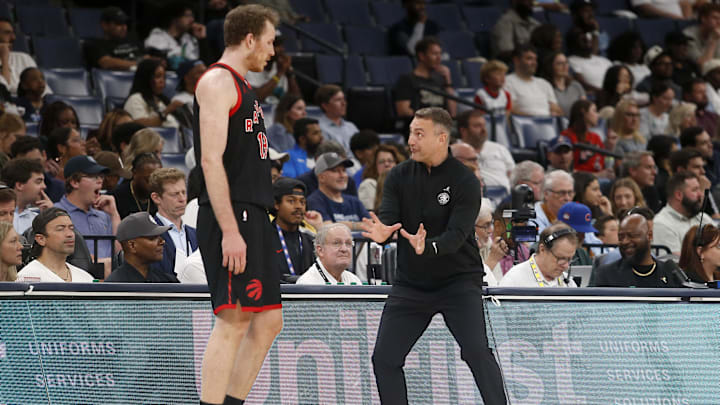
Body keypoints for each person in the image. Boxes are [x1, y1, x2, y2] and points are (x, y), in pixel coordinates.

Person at [360, 107, 507, 404]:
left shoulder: (465, 181)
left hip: (458, 282)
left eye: (419, 134)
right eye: (411, 132)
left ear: (441, 138)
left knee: (476, 352)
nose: (411, 141)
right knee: (384, 359)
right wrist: (384, 231)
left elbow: (456, 236)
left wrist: (428, 247)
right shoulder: (398, 175)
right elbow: (389, 218)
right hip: (412, 283)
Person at [192, 5, 283, 405]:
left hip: (255, 212)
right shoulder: (217, 81)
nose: (273, 50)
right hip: (233, 214)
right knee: (233, 318)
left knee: (268, 321)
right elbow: (210, 159)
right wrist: (230, 230)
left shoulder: (245, 86)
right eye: (269, 41)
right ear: (249, 39)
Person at [55, 155, 120, 262]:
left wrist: (114, 214)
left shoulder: (104, 216)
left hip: (109, 277)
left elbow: (120, 253)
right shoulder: (56, 214)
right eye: (94, 177)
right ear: (75, 182)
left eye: (101, 177)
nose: (100, 181)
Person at [591, 212, 682, 287]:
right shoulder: (607, 274)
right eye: (621, 237)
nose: (625, 242)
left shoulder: (670, 272)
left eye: (632, 236)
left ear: (649, 236)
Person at [16, 207, 94, 282]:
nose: (70, 234)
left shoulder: (85, 278)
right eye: (60, 229)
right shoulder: (28, 277)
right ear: (41, 239)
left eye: (71, 228)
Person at [149, 168, 198, 276]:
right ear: (156, 198)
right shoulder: (149, 235)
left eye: (184, 192)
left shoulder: (196, 235)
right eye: (174, 194)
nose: (182, 199)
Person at [105, 212, 180, 283]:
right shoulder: (113, 287)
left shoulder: (168, 281)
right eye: (152, 238)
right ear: (132, 245)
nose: (162, 242)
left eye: (160, 236)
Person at [394, 37, 456, 120]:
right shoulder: (407, 79)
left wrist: (448, 80)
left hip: (440, 126)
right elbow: (403, 110)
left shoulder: (440, 80)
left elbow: (453, 113)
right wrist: (429, 119)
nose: (439, 58)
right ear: (422, 56)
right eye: (434, 54)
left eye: (440, 54)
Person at [500, 222, 579, 287]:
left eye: (569, 259)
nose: (566, 266)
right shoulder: (515, 280)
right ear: (542, 249)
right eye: (561, 258)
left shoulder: (568, 283)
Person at [270, 177, 317, 281]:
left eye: (302, 202)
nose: (298, 206)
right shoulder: (262, 239)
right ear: (276, 204)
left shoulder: (310, 241)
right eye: (291, 201)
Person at [306, 152, 369, 228]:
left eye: (344, 170)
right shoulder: (314, 201)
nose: (342, 175)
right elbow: (327, 228)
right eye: (335, 171)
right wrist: (358, 225)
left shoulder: (355, 202)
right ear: (321, 177)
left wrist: (348, 225)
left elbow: (371, 225)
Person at [457, 110, 515, 192]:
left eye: (484, 125)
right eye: (477, 126)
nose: (483, 130)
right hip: (472, 197)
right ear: (463, 131)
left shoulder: (499, 148)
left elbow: (513, 175)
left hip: (504, 199)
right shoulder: (454, 151)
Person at [504, 44, 563, 117]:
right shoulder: (507, 82)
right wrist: (537, 120)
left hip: (547, 125)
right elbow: (511, 109)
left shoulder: (544, 83)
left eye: (535, 59)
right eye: (529, 59)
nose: (534, 63)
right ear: (516, 60)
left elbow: (556, 109)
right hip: (523, 125)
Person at [653, 172, 704, 255]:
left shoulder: (703, 217)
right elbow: (675, 264)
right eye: (695, 190)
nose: (700, 194)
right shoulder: (661, 224)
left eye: (699, 189)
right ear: (679, 195)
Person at [144, 3, 206, 70]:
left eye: (192, 16)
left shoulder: (190, 39)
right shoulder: (158, 36)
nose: (192, 20)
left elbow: (204, 64)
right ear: (175, 19)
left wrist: (202, 39)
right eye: (187, 16)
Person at [124, 58, 182, 128]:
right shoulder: (135, 99)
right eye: (158, 76)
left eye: (164, 77)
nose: (162, 81)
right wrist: (166, 112)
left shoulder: (163, 100)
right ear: (146, 78)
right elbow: (139, 126)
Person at [244, 30, 299, 104]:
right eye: (276, 45)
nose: (281, 49)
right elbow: (256, 98)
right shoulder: (249, 68)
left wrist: (290, 74)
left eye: (281, 45)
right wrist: (279, 74)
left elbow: (296, 100)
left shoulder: (281, 65)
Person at [296, 223, 360, 285]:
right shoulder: (307, 283)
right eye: (336, 243)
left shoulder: (354, 280)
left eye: (348, 243)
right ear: (320, 250)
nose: (344, 249)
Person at [84, 7, 145, 71]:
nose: (124, 27)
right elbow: (106, 63)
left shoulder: (132, 38)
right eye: (119, 23)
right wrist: (139, 64)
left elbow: (147, 57)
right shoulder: (94, 44)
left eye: (125, 23)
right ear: (104, 25)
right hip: (117, 78)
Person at [0, 18, 49, 95]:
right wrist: (4, 59)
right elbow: (3, 91)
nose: (13, 38)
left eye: (13, 33)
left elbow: (45, 91)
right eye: (7, 33)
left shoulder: (23, 57)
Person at [2, 158, 51, 234]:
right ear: (20, 185)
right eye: (38, 182)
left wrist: (51, 215)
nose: (44, 186)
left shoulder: (38, 218)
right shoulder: (3, 217)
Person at [10, 135, 65, 202]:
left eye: (37, 161)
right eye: (26, 165)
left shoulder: (59, 188)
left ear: (44, 155)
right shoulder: (8, 190)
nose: (33, 167)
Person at [562, 100, 607, 174]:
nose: (598, 115)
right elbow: (568, 169)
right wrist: (597, 175)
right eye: (594, 111)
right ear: (583, 112)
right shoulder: (567, 136)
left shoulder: (596, 137)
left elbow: (604, 162)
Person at [112, 153, 161, 218]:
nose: (154, 185)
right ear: (134, 173)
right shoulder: (115, 198)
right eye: (148, 180)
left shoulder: (161, 197)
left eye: (158, 180)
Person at [566, 27, 613, 93]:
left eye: (588, 38)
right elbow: (581, 84)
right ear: (574, 43)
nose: (587, 41)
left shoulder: (604, 60)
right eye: (582, 39)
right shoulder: (572, 60)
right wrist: (604, 92)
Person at [315, 84, 359, 154]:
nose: (343, 103)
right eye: (338, 100)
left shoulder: (351, 127)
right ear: (325, 106)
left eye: (344, 99)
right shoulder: (319, 128)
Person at [358, 145, 402, 211]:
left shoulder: (403, 183)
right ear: (374, 166)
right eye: (381, 162)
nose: (387, 164)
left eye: (390, 161)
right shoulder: (369, 184)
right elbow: (370, 215)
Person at [541, 52, 586, 116]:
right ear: (550, 67)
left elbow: (585, 108)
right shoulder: (545, 87)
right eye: (560, 63)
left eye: (566, 62)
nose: (565, 66)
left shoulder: (576, 85)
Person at [474, 198, 506, 285]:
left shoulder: (489, 244)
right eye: (486, 225)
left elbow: (498, 284)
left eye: (491, 224)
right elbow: (475, 283)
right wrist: (492, 260)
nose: (491, 230)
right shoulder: (462, 250)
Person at [684, 3, 720, 68]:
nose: (719, 22)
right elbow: (702, 66)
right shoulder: (688, 35)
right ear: (703, 19)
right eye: (715, 18)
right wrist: (713, 42)